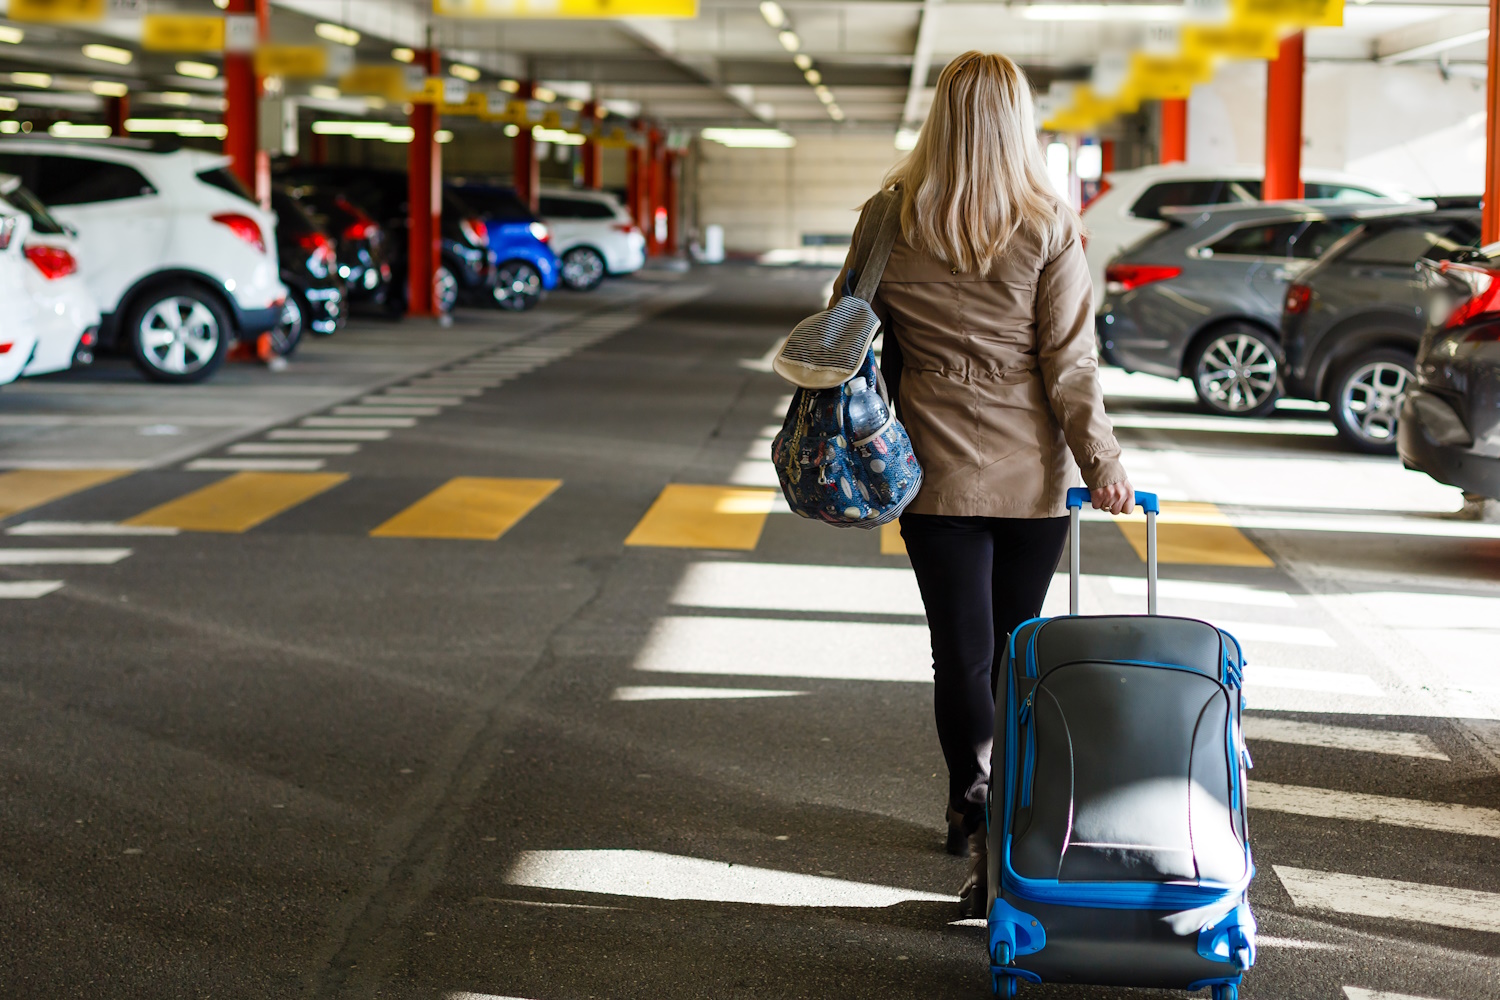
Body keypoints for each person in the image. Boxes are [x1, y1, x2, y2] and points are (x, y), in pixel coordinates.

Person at [830, 51, 1135, 916]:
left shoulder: (889, 219)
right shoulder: (1047, 225)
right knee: (1016, 651)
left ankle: (972, 794)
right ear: (1017, 121)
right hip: (1031, 474)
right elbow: (1071, 367)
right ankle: (1012, 816)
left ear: (941, 116)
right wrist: (1104, 465)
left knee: (956, 652)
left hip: (925, 468)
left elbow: (846, 335)